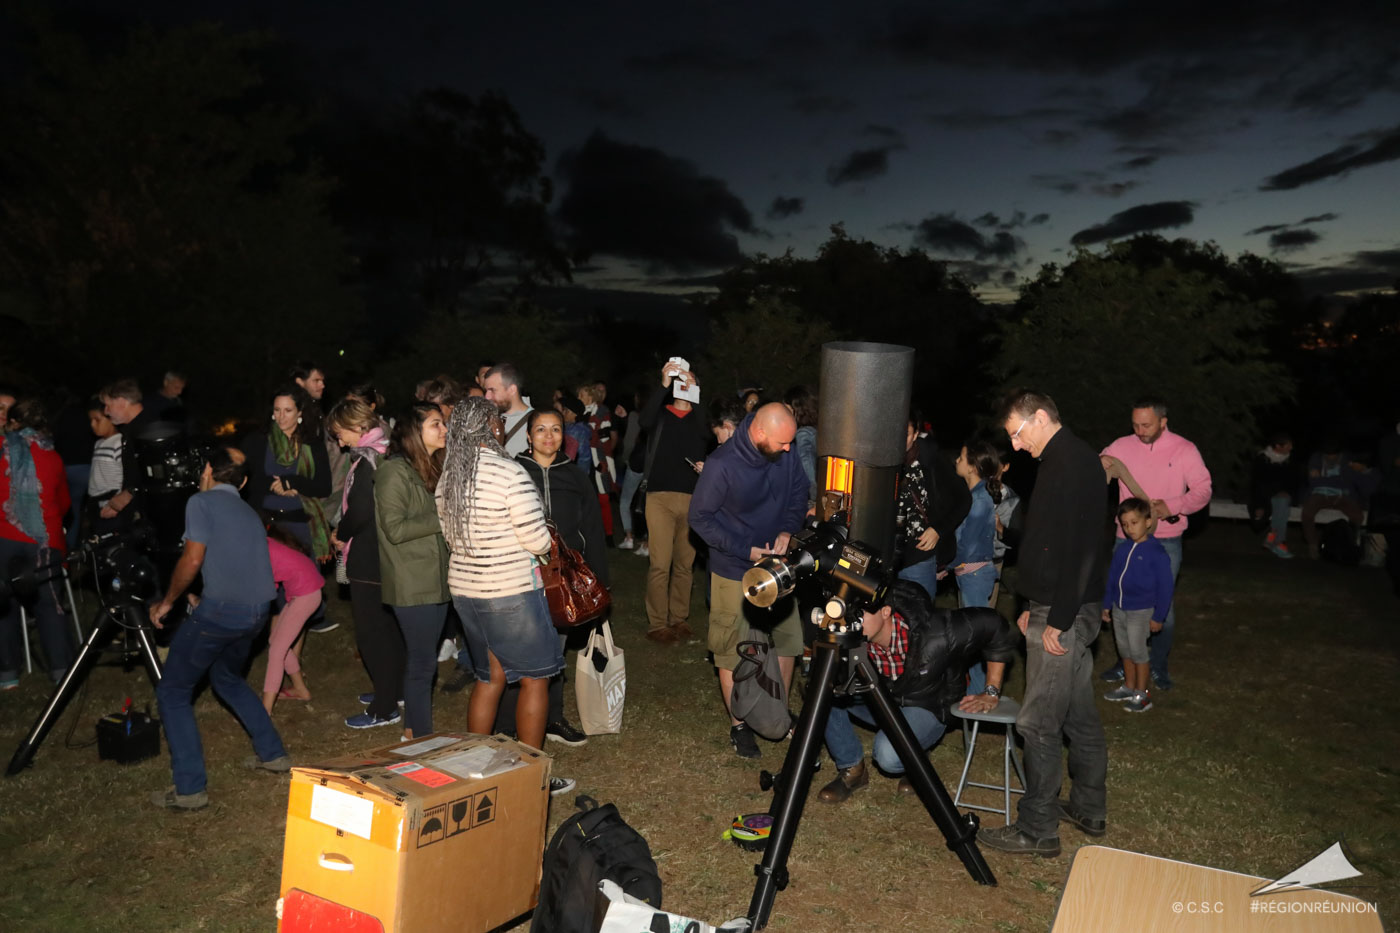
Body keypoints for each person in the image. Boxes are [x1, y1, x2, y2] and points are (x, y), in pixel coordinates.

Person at [978, 389, 1108, 857]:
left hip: (1064, 614)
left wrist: (1061, 615)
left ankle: (1037, 829)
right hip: (1055, 605)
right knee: (1077, 713)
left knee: (1036, 723)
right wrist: (1038, 600)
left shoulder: (1071, 462)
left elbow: (1084, 547)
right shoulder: (1063, 460)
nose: (1014, 445)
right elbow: (1050, 540)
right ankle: (1090, 807)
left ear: (1038, 418)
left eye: (1016, 433)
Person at [437, 398, 575, 795]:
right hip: (509, 591)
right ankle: (533, 779)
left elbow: (450, 538)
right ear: (491, 428)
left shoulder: (450, 477)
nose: (502, 428)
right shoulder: (508, 472)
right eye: (498, 422)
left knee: (489, 677)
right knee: (536, 680)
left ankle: (475, 766)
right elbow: (535, 538)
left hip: (466, 592)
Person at [148, 447, 289, 810]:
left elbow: (192, 558)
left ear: (208, 470)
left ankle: (190, 790)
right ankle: (273, 754)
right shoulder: (248, 511)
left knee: (173, 692)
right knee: (227, 679)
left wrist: (167, 603)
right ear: (242, 482)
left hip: (223, 613)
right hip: (258, 612)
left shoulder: (201, 501)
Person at [818, 581, 1017, 802]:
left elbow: (995, 625)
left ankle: (918, 751)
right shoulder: (851, 635)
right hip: (882, 699)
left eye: (860, 612)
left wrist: (991, 691)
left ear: (886, 612)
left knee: (888, 757)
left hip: (927, 704)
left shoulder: (937, 632)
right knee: (822, 692)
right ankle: (852, 768)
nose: (851, 619)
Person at [689, 402, 808, 760]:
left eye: (791, 443)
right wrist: (747, 550)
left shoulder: (785, 453)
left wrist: (788, 528)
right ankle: (739, 725)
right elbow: (700, 518)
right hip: (733, 570)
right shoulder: (722, 464)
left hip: (780, 567)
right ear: (759, 433)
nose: (789, 449)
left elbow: (799, 493)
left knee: (787, 641)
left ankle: (778, 715)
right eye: (783, 443)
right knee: (731, 649)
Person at [496, 406, 607, 746]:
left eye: (556, 429)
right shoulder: (513, 471)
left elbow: (592, 527)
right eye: (540, 429)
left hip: (563, 577)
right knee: (518, 652)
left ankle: (551, 719)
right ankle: (506, 725)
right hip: (520, 574)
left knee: (554, 652)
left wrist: (599, 577)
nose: (548, 436)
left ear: (564, 435)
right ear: (528, 436)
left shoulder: (574, 476)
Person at [1098, 397, 1211, 692]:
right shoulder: (1121, 446)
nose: (1140, 430)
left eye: (1146, 424)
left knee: (1162, 605)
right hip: (1125, 538)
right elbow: (1097, 468)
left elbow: (1202, 490)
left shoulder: (1185, 449)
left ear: (1163, 421)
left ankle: (1158, 664)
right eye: (1135, 424)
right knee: (1122, 601)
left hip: (1165, 541)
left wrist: (1172, 506)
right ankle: (1127, 664)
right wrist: (1101, 463)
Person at [325, 397, 403, 729]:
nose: (338, 440)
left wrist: (340, 534)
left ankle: (385, 707)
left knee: (372, 635)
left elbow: (360, 510)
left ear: (357, 426)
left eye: (339, 432)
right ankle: (394, 690)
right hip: (387, 554)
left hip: (370, 558)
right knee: (389, 629)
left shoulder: (368, 459)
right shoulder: (387, 449)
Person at [374, 403, 451, 738]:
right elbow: (395, 529)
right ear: (415, 432)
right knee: (422, 664)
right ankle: (420, 736)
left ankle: (411, 729)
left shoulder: (429, 467)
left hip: (435, 579)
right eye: (436, 424)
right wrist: (444, 514)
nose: (444, 430)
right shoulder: (393, 471)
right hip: (412, 582)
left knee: (424, 660)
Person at [0, 398, 74, 689]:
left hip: (4, 538)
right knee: (49, 605)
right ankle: (60, 670)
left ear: (13, 423)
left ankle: (7, 675)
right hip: (46, 541)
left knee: (2, 605)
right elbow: (64, 502)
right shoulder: (52, 456)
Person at [638, 362, 710, 644]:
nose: (683, 384)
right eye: (680, 381)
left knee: (685, 563)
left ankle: (678, 618)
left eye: (688, 381)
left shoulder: (698, 420)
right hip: (659, 497)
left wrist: (696, 390)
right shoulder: (661, 415)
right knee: (660, 563)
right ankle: (657, 623)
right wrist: (664, 384)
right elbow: (643, 421)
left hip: (693, 497)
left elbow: (708, 432)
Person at [241, 386, 333, 564]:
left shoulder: (313, 445)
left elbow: (324, 487)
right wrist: (279, 485)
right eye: (277, 410)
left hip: (302, 526)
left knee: (305, 588)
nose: (281, 416)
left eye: (288, 410)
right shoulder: (257, 442)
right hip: (266, 526)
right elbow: (248, 482)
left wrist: (293, 482)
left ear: (300, 413)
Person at [1101, 498, 1173, 714]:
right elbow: (1113, 577)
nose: (1129, 528)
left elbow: (1166, 588)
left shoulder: (1156, 553)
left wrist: (1158, 617)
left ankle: (1143, 694)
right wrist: (1107, 604)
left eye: (1134, 522)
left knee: (1138, 651)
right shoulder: (1122, 549)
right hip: (1120, 608)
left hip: (1141, 611)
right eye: (1125, 524)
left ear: (1148, 521)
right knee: (1125, 650)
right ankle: (1129, 686)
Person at [895, 413, 971, 600]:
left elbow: (963, 499)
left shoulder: (930, 460)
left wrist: (938, 529)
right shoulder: (879, 463)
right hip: (884, 558)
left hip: (918, 558)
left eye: (905, 434)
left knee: (919, 620)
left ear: (915, 435)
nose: (898, 440)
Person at [950, 438, 1003, 696]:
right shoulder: (973, 496)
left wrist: (945, 564)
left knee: (976, 636)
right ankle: (976, 689)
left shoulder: (979, 500)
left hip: (974, 574)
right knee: (973, 633)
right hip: (969, 573)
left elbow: (968, 546)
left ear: (972, 467)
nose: (956, 461)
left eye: (961, 458)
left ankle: (980, 693)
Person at [261, 525, 323, 713]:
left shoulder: (261, 550)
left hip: (306, 594)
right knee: (276, 643)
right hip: (303, 592)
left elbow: (266, 587)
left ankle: (265, 709)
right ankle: (300, 690)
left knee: (276, 651)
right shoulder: (264, 544)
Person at [1300, 439, 1376, 560]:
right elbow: (1313, 482)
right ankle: (1313, 545)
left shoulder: (1347, 460)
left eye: (1333, 455)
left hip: (1342, 496)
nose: (1330, 458)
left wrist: (1323, 479)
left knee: (1358, 516)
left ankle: (1348, 544)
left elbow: (1348, 479)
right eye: (1327, 455)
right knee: (1307, 512)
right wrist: (1338, 480)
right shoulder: (1316, 458)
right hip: (1320, 494)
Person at [98, 379, 159, 527]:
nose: (106, 411)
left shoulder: (149, 429)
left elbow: (157, 471)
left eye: (108, 405)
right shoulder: (132, 430)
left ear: (121, 401)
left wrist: (129, 494)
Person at [1250, 432, 1301, 559]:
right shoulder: (1262, 459)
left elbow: (1294, 481)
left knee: (1282, 502)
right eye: (1288, 446)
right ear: (1278, 446)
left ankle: (1275, 538)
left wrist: (1286, 491)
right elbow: (1258, 483)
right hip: (1264, 495)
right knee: (1280, 503)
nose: (1291, 448)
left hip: (1282, 495)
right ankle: (1277, 541)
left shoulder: (1290, 461)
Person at [482, 362, 533, 456]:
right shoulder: (484, 420)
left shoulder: (536, 423)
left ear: (512, 390)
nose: (487, 396)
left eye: (492, 390)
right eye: (486, 391)